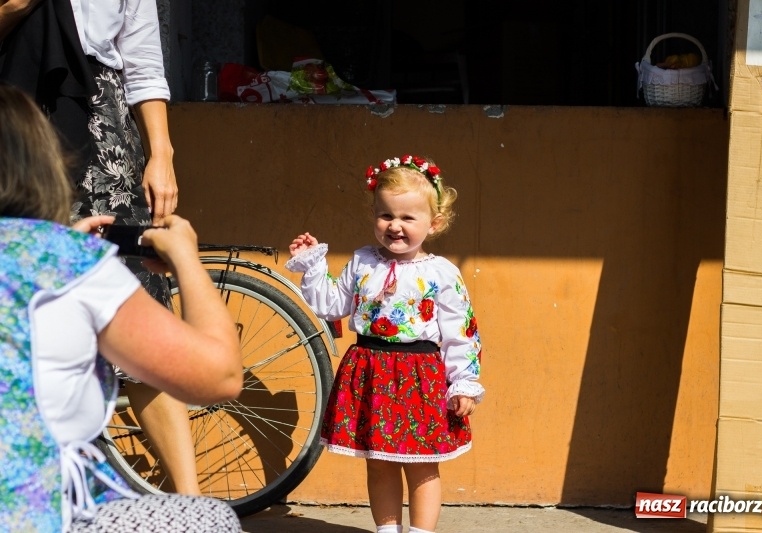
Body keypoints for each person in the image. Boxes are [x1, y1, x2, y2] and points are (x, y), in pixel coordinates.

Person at [0, 83, 242, 532]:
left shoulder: (61, 253)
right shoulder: (63, 260)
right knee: (208, 519)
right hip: (38, 516)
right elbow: (220, 376)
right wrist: (185, 257)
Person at [0, 0, 200, 495]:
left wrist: (161, 155)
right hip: (14, 125)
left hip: (100, 121)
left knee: (137, 303)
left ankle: (193, 504)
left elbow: (144, 64)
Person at [286, 155, 485, 533]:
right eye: (385, 215)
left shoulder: (442, 273)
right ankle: (387, 530)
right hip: (370, 372)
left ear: (434, 222)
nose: (395, 226)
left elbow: (462, 332)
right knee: (378, 461)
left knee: (422, 464)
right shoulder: (362, 262)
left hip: (420, 378)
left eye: (408, 218)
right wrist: (312, 267)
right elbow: (331, 305)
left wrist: (463, 384)